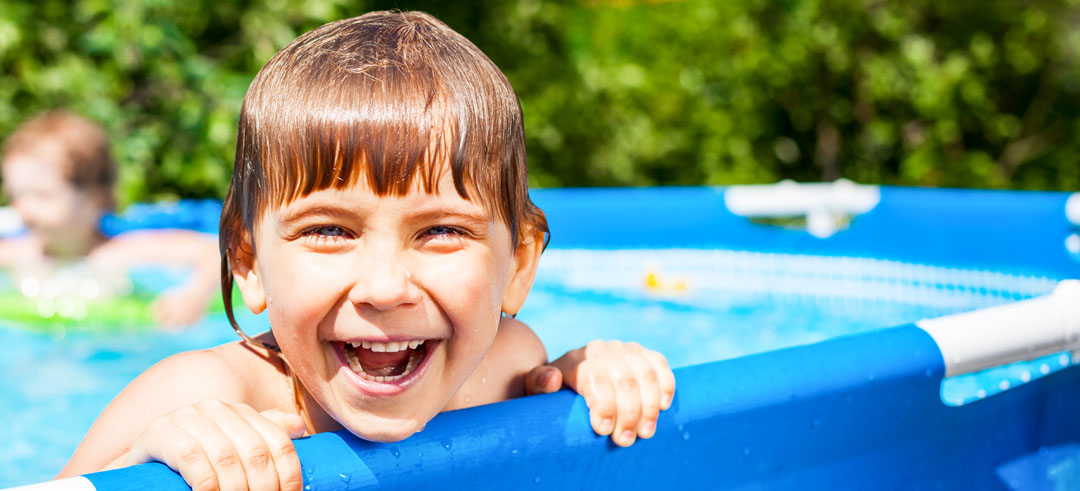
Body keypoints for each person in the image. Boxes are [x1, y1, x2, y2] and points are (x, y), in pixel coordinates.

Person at [57, 10, 676, 489]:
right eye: (329, 231)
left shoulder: (509, 368)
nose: (385, 287)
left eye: (442, 231)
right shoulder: (200, 395)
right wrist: (139, 468)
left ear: (518, 267)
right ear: (248, 263)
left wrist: (586, 375)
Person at [0, 111, 220, 327]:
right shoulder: (18, 253)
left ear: (95, 199)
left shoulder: (122, 251)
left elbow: (215, 252)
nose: (23, 208)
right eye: (15, 194)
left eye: (41, 195)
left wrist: (195, 295)